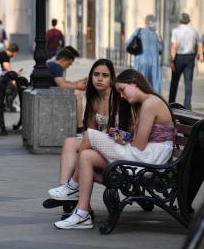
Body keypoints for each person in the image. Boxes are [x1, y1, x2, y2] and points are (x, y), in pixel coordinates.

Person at [53, 69, 176, 229]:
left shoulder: (150, 103)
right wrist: (114, 135)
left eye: (122, 89)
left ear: (134, 83)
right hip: (145, 155)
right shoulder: (144, 104)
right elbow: (133, 138)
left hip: (149, 158)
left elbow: (138, 145)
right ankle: (82, 214)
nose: (121, 95)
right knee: (87, 156)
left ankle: (72, 186)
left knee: (90, 135)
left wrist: (113, 139)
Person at [48, 59, 118, 200]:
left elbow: (126, 133)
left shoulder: (117, 98)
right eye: (96, 74)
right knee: (69, 142)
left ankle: (71, 188)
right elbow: (91, 130)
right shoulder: (94, 99)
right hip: (100, 143)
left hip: (115, 146)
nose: (99, 78)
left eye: (105, 76)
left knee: (84, 150)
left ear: (111, 79)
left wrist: (103, 135)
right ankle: (65, 188)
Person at [47, 46, 86, 133]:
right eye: (69, 63)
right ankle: (79, 125)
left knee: (78, 92)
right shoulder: (56, 67)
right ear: (63, 60)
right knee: (78, 93)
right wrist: (78, 86)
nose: (69, 66)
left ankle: (80, 124)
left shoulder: (52, 65)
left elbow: (63, 82)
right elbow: (62, 85)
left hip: (50, 91)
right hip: (49, 94)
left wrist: (77, 82)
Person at [169, 12, 200, 110]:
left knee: (174, 82)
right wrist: (194, 56)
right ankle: (187, 106)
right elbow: (197, 46)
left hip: (178, 58)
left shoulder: (176, 31)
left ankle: (171, 103)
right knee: (188, 83)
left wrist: (172, 60)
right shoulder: (194, 31)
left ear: (180, 20)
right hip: (190, 58)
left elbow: (174, 46)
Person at [125, 15, 163, 93]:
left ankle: (140, 103)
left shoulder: (139, 31)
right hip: (154, 64)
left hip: (141, 62)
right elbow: (160, 49)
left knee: (140, 85)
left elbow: (128, 44)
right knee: (154, 87)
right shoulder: (157, 34)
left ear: (145, 22)